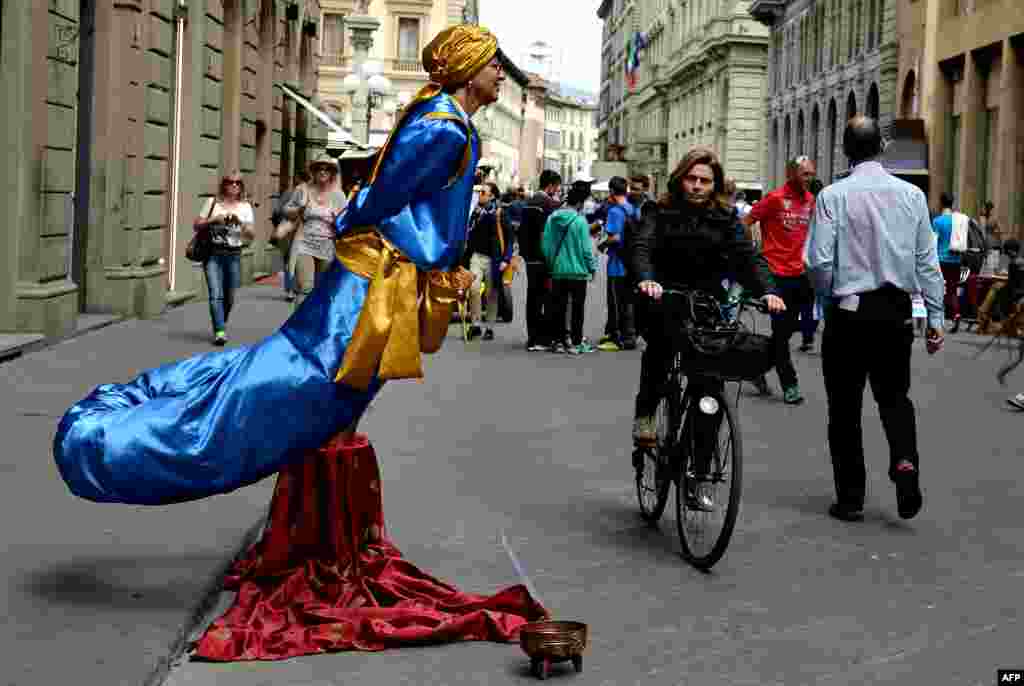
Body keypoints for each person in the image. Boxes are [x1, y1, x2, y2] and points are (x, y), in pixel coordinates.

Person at [55, 24, 502, 505]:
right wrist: (351, 218)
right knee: (314, 387)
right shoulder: (443, 127)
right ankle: (124, 444)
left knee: (329, 392)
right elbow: (388, 190)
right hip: (375, 281)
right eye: (493, 63)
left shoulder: (450, 121)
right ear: (468, 67)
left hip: (388, 277)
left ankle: (324, 534)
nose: (499, 72)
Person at [805, 116, 945, 523]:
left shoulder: (832, 196)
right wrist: (935, 316)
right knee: (895, 398)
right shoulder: (912, 197)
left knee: (845, 408)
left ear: (846, 151)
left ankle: (850, 498)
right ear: (882, 148)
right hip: (896, 312)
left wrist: (828, 295)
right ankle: (905, 463)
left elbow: (819, 261)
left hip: (848, 313)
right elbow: (926, 261)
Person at [631, 147, 784, 508]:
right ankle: (646, 415)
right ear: (680, 178)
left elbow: (749, 259)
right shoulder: (660, 210)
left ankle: (699, 475)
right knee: (660, 352)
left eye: (705, 180)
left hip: (707, 306)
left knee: (710, 390)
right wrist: (647, 280)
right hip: (665, 298)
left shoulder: (726, 217)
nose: (697, 186)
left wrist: (769, 293)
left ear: (714, 184)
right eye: (692, 178)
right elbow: (642, 247)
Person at [742, 155, 817, 404]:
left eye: (811, 173)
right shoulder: (774, 198)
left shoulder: (810, 200)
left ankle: (754, 368)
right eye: (805, 174)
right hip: (775, 276)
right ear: (792, 174)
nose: (810, 178)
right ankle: (790, 383)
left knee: (790, 331)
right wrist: (752, 253)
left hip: (800, 274)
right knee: (782, 331)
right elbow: (747, 220)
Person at [193, 172, 256, 346]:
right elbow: (196, 224)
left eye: (238, 183)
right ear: (224, 184)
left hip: (234, 255)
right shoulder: (213, 203)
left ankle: (221, 321)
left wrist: (239, 222)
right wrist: (214, 219)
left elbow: (252, 234)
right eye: (230, 182)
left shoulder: (245, 207)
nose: (234, 185)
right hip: (213, 253)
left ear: (241, 187)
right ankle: (219, 331)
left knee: (229, 297)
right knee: (216, 294)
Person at [543, 179, 598, 355]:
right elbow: (586, 250)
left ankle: (558, 342)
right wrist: (592, 267)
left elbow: (546, 245)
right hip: (578, 273)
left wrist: (553, 263)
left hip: (558, 270)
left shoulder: (552, 218)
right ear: (580, 203)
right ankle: (575, 343)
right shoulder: (580, 222)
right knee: (577, 309)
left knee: (558, 307)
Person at [285, 154, 347, 308]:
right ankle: (298, 329)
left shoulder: (338, 195)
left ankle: (315, 328)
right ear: (314, 171)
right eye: (319, 168)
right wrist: (299, 208)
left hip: (327, 246)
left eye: (327, 169)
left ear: (332, 173)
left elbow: (346, 222)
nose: (323, 172)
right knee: (306, 288)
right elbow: (286, 209)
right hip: (304, 244)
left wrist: (337, 221)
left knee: (323, 291)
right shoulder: (303, 189)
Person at [519, 169, 564, 351]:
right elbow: (545, 234)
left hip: (530, 258)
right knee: (545, 297)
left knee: (532, 297)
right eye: (557, 186)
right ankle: (541, 338)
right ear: (551, 186)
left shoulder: (529, 202)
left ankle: (532, 336)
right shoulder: (547, 204)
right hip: (543, 258)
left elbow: (522, 231)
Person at [465, 182, 512, 340]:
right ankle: (476, 324)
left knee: (491, 294)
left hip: (494, 259)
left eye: (484, 193)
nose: (480, 195)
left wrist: (506, 259)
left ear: (492, 196)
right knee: (473, 288)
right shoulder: (476, 212)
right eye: (480, 193)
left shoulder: (499, 212)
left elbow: (509, 237)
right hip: (476, 256)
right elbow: (469, 232)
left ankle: (490, 327)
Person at [597, 176, 638, 352]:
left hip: (617, 264)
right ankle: (628, 335)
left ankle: (616, 338)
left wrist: (602, 244)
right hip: (631, 263)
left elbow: (615, 236)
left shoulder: (614, 211)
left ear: (612, 191)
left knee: (615, 303)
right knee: (627, 302)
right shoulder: (632, 209)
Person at [271, 171, 310, 302]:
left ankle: (290, 290)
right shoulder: (309, 191)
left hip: (290, 232)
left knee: (289, 261)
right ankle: (296, 288)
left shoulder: (290, 192)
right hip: (304, 233)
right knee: (295, 260)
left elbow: (277, 211)